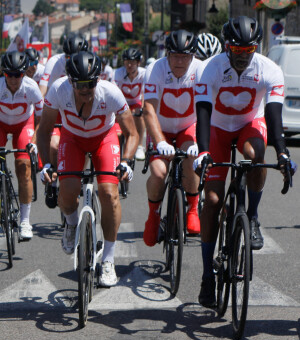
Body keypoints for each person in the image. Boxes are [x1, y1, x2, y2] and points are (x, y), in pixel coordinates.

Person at [193, 16, 297, 308]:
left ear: (256, 48)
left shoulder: (269, 70)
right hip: (216, 128)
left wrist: (283, 152)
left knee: (254, 157)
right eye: (236, 51)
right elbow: (202, 111)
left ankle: (251, 216)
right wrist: (203, 152)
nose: (241, 58)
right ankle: (206, 276)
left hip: (251, 124)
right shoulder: (209, 68)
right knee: (212, 201)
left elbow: (275, 117)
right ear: (227, 47)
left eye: (247, 52)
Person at [37, 51, 138, 287]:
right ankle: (72, 223)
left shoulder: (110, 92)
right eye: (80, 84)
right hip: (72, 138)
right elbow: (43, 131)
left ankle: (109, 261)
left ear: (98, 79)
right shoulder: (58, 90)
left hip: (104, 138)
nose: (85, 89)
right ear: (70, 80)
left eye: (90, 83)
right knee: (68, 190)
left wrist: (127, 160)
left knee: (109, 194)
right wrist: (46, 165)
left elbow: (132, 132)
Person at [142, 29, 204, 247]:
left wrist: (202, 143)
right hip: (161, 128)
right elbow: (148, 109)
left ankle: (193, 208)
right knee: (159, 173)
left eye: (185, 56)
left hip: (188, 126)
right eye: (175, 56)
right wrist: (159, 142)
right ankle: (154, 215)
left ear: (193, 56)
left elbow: (207, 107)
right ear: (167, 54)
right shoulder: (155, 69)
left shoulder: (200, 69)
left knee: (191, 161)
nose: (179, 61)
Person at [0, 51, 43, 239]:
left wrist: (34, 140)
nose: (14, 79)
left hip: (23, 125)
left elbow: (42, 118)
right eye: (10, 74)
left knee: (23, 168)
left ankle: (25, 221)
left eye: (18, 75)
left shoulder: (31, 88)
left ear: (24, 74)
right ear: (4, 73)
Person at [39, 34, 89, 207]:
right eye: (68, 57)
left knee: (85, 144)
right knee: (54, 145)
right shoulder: (54, 63)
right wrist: (41, 109)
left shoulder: (90, 62)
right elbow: (43, 89)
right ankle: (53, 181)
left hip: (80, 108)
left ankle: (80, 174)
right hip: (59, 108)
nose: (72, 61)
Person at [113, 48, 147, 161]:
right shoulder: (118, 73)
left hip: (136, 102)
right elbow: (114, 92)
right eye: (127, 61)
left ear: (138, 62)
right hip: (122, 103)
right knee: (117, 130)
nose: (129, 64)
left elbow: (144, 94)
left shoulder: (144, 73)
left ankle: (140, 147)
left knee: (140, 115)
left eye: (132, 62)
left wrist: (141, 109)